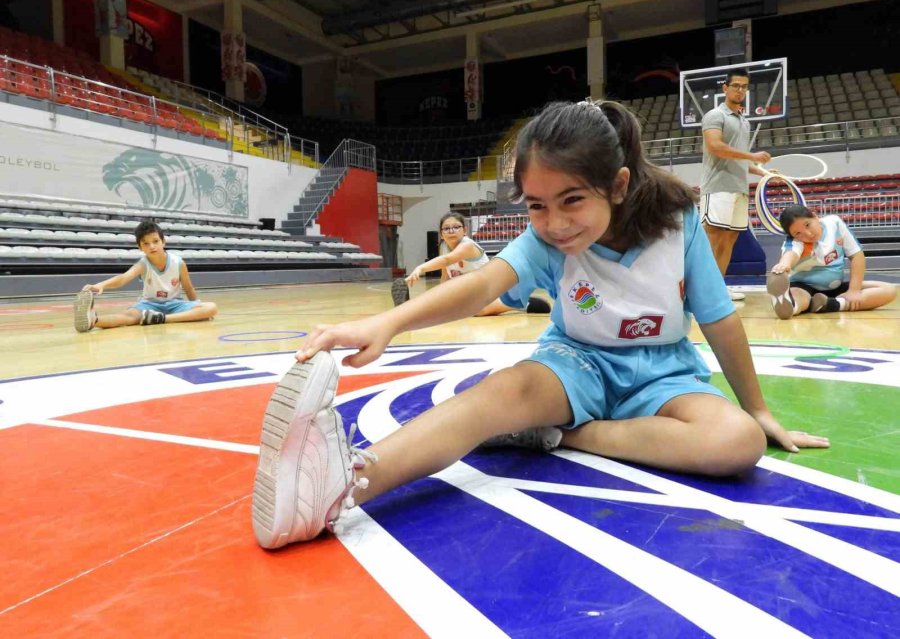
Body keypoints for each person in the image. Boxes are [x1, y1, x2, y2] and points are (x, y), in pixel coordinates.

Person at [251, 100, 828, 550]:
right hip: (575, 363)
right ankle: (339, 486)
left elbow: (720, 319)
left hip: (664, 375)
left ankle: (559, 434)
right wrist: (388, 323)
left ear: (619, 185)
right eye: (535, 205)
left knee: (738, 443)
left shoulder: (679, 222)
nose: (552, 222)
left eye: (571, 200)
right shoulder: (548, 238)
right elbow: (482, 283)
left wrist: (758, 410)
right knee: (505, 391)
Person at [700, 67, 773, 302]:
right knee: (714, 238)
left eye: (744, 86)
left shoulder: (744, 122)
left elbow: (739, 159)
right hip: (718, 186)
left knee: (730, 238)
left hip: (739, 188)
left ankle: (718, 287)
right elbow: (716, 147)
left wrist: (761, 171)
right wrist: (752, 157)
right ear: (725, 88)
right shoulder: (715, 115)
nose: (740, 90)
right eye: (736, 86)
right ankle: (702, 290)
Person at [390, 211, 551, 315]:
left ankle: (518, 303)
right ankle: (407, 309)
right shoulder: (443, 247)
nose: (451, 231)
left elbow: (447, 260)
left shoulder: (467, 246)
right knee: (441, 308)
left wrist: (420, 267)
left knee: (477, 311)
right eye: (446, 229)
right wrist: (439, 296)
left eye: (456, 227)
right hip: (466, 293)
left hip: (490, 290)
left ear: (464, 230)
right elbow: (445, 278)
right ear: (441, 234)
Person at [73, 219, 218, 332]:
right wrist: (101, 285)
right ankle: (93, 320)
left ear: (163, 242)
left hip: (174, 305)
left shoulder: (178, 263)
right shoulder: (143, 264)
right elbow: (123, 278)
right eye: (146, 243)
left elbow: (189, 289)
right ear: (140, 247)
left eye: (155, 241)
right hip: (149, 305)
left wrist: (197, 306)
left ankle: (161, 319)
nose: (152, 246)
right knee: (129, 317)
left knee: (211, 307)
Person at [767, 204, 896, 319]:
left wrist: (854, 291)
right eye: (798, 233)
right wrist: (784, 265)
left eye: (808, 225)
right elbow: (791, 253)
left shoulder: (835, 224)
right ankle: (792, 307)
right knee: (800, 297)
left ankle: (830, 304)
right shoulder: (795, 242)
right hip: (803, 286)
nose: (808, 234)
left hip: (836, 288)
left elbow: (856, 254)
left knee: (889, 290)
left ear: (815, 216)